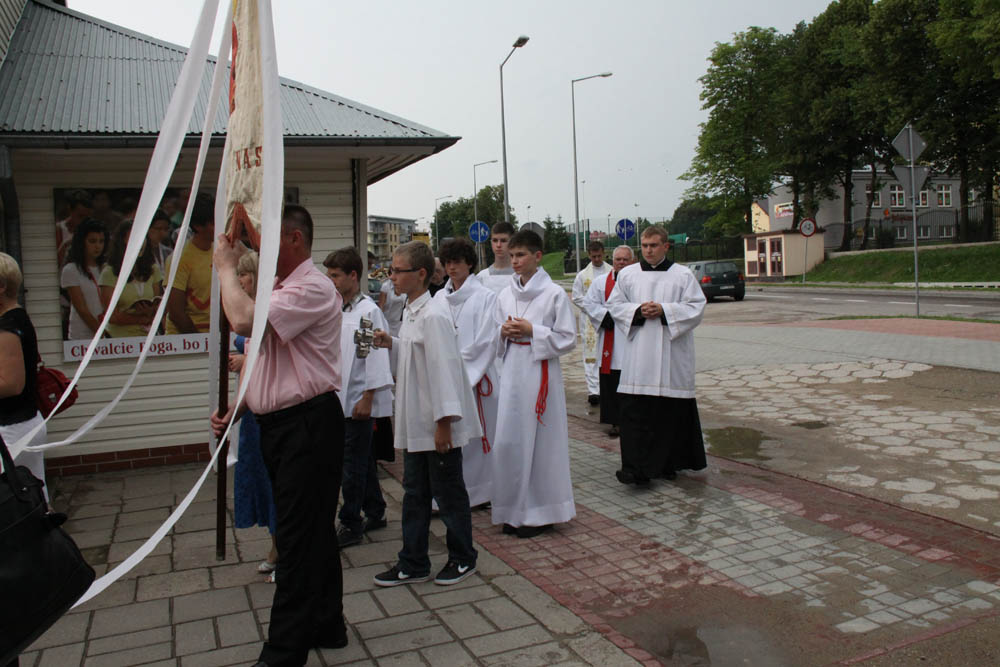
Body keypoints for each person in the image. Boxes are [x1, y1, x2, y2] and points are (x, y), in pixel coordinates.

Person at [211, 205, 347, 665]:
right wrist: (237, 409)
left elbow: (243, 322)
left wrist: (226, 268)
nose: (259, 247)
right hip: (280, 425)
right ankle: (326, 623)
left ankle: (284, 650)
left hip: (307, 423)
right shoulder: (277, 287)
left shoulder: (313, 287)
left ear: (293, 239)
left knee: (295, 537)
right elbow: (261, 362)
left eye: (266, 238)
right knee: (312, 532)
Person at [371, 241, 479, 588]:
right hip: (418, 422)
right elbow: (416, 353)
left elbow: (444, 370)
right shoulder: (413, 310)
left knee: (448, 494)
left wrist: (444, 423)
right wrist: (392, 343)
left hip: (435, 425)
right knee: (415, 493)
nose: (391, 277)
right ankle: (413, 561)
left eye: (397, 271)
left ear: (420, 274)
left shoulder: (434, 315)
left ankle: (463, 557)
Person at [492, 229, 576, 538]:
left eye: (521, 255)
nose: (514, 261)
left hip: (540, 373)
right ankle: (512, 509)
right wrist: (503, 333)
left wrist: (533, 331)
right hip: (512, 372)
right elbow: (493, 331)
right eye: (512, 255)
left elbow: (568, 338)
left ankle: (541, 513)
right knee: (510, 440)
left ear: (537, 256)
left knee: (541, 443)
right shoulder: (505, 294)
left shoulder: (553, 294)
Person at [607, 226, 707, 486]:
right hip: (638, 357)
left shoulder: (682, 275)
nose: (648, 250)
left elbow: (696, 307)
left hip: (671, 356)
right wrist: (637, 311)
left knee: (668, 416)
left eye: (654, 245)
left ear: (666, 246)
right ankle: (634, 469)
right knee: (636, 414)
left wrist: (665, 310)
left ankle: (666, 465)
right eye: (645, 245)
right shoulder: (628, 275)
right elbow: (614, 305)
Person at [322, 247, 392, 549]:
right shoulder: (336, 309)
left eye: (335, 275)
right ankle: (375, 510)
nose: (330, 281)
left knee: (350, 466)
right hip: (337, 398)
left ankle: (351, 522)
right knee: (359, 460)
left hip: (356, 401)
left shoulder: (366, 311)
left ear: (353, 275)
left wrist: (367, 396)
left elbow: (370, 353)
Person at [434, 238, 499, 508]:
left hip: (476, 378)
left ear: (469, 263)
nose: (452, 268)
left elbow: (487, 340)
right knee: (454, 437)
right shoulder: (439, 298)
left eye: (457, 262)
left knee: (478, 439)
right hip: (448, 378)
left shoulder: (486, 297)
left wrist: (460, 370)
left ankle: (482, 493)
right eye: (447, 262)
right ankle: (452, 493)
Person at [228, 251, 279, 582]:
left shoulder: (268, 309)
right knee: (260, 480)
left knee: (275, 482)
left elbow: (269, 355)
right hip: (251, 408)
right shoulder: (248, 307)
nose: (241, 281)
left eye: (245, 275)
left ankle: (283, 548)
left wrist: (244, 362)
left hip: (267, 408)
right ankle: (275, 545)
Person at [0, 253, 48, 503]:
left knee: (18, 504)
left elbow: (11, 384)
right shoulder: (18, 318)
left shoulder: (8, 327)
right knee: (33, 498)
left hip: (13, 429)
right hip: (23, 422)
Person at [582, 245, 634, 437]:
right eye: (618, 259)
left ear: (632, 261)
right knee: (612, 383)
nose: (621, 262)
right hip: (611, 337)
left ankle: (632, 421)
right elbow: (589, 303)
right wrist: (605, 317)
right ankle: (616, 422)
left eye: (625, 259)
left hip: (632, 337)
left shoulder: (639, 281)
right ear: (613, 260)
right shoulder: (601, 282)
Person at [99, 221, 162, 338]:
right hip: (119, 340)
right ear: (121, 242)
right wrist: (141, 318)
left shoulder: (153, 269)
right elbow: (112, 316)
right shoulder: (109, 273)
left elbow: (157, 304)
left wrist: (151, 312)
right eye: (134, 238)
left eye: (142, 237)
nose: (140, 242)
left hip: (148, 337)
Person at [165, 192, 214, 334]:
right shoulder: (179, 259)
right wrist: (200, 341)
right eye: (214, 222)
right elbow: (176, 313)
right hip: (185, 339)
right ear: (198, 226)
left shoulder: (222, 250)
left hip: (215, 336)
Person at [572, 241, 610, 406]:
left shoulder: (611, 272)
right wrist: (593, 308)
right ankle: (594, 390)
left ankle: (607, 388)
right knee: (591, 354)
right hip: (589, 319)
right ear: (589, 255)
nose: (596, 259)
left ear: (604, 253)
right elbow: (576, 297)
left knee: (607, 352)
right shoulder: (582, 275)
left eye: (599, 256)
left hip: (608, 318)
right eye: (593, 256)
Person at [60, 218, 107, 341]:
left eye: (101, 241)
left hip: (107, 333)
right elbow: (81, 309)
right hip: (81, 336)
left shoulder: (106, 268)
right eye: (92, 241)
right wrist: (101, 333)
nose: (97, 246)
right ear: (82, 242)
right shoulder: (71, 270)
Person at [476, 221, 515, 294]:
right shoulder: (481, 277)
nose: (498, 245)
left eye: (503, 241)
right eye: (495, 240)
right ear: (491, 242)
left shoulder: (521, 276)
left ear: (512, 242)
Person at [377, 270, 407, 337]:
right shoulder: (385, 286)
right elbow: (381, 305)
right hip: (387, 322)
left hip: (399, 323)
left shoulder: (404, 285)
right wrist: (380, 322)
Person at [147, 208, 173, 276]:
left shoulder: (169, 253)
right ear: (147, 228)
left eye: (166, 229)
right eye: (158, 229)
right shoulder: (139, 254)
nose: (163, 233)